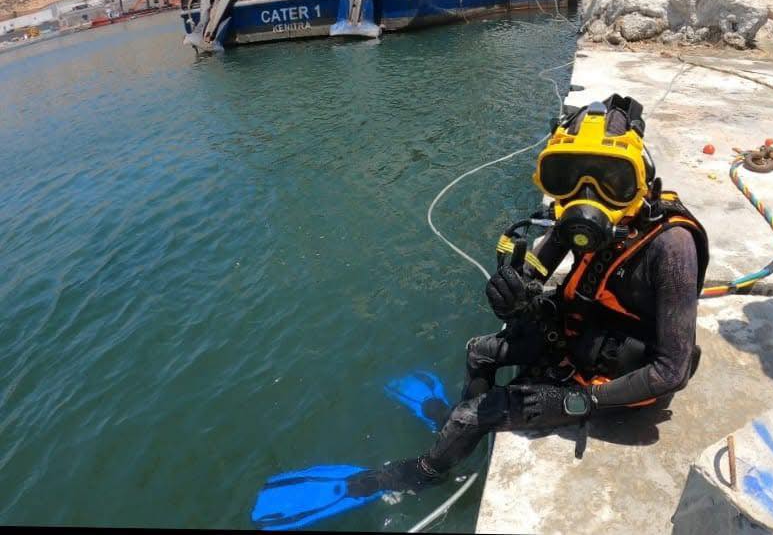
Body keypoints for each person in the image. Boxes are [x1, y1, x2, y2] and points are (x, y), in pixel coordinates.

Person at [251, 95, 711, 529]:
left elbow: (671, 370)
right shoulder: (577, 221)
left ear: (642, 180)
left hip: (611, 382)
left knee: (475, 416)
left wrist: (576, 401)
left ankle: (426, 471)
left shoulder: (671, 246)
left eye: (611, 180)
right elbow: (532, 276)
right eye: (567, 177)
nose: (585, 195)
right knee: (479, 353)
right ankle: (459, 424)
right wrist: (509, 292)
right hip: (579, 337)